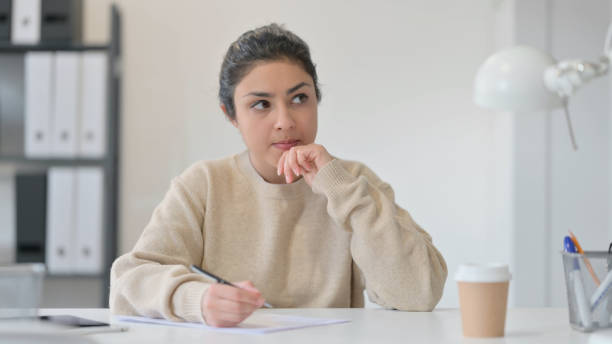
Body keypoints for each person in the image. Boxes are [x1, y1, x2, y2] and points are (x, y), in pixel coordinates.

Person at [110, 23, 447, 328]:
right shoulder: (204, 185)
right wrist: (195, 300)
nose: (285, 121)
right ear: (231, 115)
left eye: (300, 98)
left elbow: (419, 293)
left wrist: (340, 189)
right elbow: (129, 282)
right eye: (261, 104)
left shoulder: (352, 181)